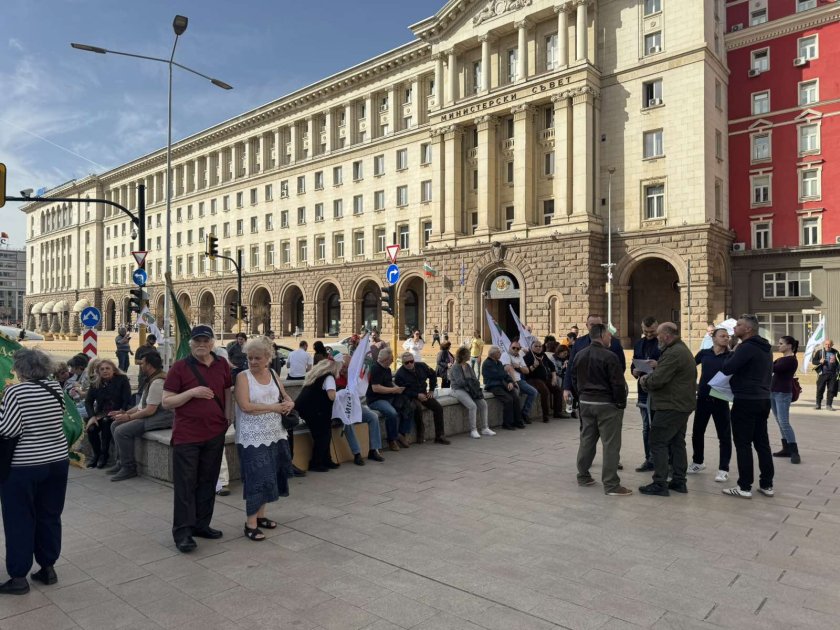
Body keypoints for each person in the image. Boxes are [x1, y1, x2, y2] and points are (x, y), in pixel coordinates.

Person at [0, 349, 70, 595]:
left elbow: (8, 430)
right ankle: (47, 567)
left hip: (24, 465)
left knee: (19, 519)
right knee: (49, 515)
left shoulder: (15, 392)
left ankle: (19, 577)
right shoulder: (56, 388)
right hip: (57, 461)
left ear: (21, 369)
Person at [162, 325, 233, 553]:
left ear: (212, 343)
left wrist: (227, 418)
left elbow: (227, 391)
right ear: (190, 343)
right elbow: (167, 401)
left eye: (205, 340)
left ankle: (201, 525)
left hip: (214, 433)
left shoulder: (222, 364)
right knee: (185, 486)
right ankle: (183, 533)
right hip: (187, 436)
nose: (201, 344)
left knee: (208, 482)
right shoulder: (180, 367)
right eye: (197, 341)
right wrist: (192, 392)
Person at [233, 336, 294, 541]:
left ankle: (260, 516)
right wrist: (274, 408)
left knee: (270, 475)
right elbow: (245, 406)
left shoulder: (273, 374)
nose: (252, 361)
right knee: (256, 478)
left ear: (268, 357)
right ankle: (250, 524)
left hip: (275, 433)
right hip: (252, 436)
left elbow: (284, 396)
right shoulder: (243, 377)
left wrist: (290, 403)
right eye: (249, 358)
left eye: (257, 358)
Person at [571, 324, 631, 497]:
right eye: (609, 336)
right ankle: (611, 485)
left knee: (587, 440)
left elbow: (574, 379)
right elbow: (618, 384)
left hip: (586, 403)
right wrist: (620, 404)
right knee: (610, 444)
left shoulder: (580, 355)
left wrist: (581, 396)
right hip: (606, 404)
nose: (610, 338)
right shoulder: (610, 356)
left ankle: (583, 476)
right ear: (602, 335)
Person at [638, 323, 697, 497]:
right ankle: (679, 481)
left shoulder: (673, 353)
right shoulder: (678, 349)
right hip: (680, 405)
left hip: (671, 405)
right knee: (677, 442)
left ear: (667, 335)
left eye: (659, 335)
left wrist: (643, 380)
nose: (657, 338)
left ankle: (660, 483)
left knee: (657, 441)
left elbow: (658, 380)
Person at [719, 314, 774, 499]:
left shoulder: (746, 347)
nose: (735, 327)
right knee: (762, 443)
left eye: (739, 325)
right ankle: (767, 484)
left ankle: (744, 486)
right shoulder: (766, 347)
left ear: (748, 329)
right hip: (763, 399)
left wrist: (733, 351)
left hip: (746, 400)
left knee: (743, 443)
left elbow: (727, 368)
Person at [107, 352, 174, 481]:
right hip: (153, 415)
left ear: (149, 365)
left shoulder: (158, 382)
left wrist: (129, 418)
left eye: (142, 363)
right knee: (115, 424)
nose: (140, 366)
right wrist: (125, 413)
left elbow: (149, 410)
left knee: (121, 431)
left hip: (162, 418)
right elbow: (141, 405)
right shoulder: (152, 378)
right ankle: (120, 462)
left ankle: (129, 468)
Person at [689, 327, 733, 482]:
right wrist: (694, 384)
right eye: (722, 336)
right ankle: (698, 462)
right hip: (703, 398)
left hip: (720, 399)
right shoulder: (704, 353)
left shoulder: (731, 356)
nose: (726, 338)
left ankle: (723, 469)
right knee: (697, 432)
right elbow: (689, 367)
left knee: (724, 436)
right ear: (713, 338)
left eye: (727, 336)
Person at [563, 314, 626, 414]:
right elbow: (571, 367)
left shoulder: (614, 343)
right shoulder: (579, 343)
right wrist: (567, 388)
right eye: (592, 325)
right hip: (584, 395)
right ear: (587, 325)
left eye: (598, 325)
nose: (595, 327)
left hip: (606, 396)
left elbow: (620, 368)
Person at [335, 356, 385, 465]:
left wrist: (350, 379)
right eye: (343, 366)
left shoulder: (354, 377)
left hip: (355, 406)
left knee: (373, 417)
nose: (344, 369)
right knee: (348, 422)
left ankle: (374, 450)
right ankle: (357, 453)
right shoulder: (335, 376)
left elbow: (360, 392)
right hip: (341, 409)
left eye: (347, 367)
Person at [84, 359, 133, 469]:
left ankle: (104, 454)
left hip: (117, 411)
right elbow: (88, 401)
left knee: (106, 423)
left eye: (107, 368)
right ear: (98, 371)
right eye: (102, 369)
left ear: (113, 370)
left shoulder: (122, 379)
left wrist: (122, 411)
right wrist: (92, 416)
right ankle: (96, 454)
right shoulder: (95, 382)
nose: (105, 371)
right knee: (91, 428)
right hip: (101, 413)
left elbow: (127, 399)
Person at [295, 359, 342, 471]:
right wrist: (342, 394)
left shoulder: (317, 375)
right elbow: (331, 396)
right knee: (322, 436)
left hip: (308, 409)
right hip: (315, 411)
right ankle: (316, 463)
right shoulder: (329, 377)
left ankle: (326, 460)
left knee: (326, 434)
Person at [395, 352, 450, 445]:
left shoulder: (421, 366)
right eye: (406, 363)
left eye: (411, 361)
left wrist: (431, 390)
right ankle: (420, 434)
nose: (410, 364)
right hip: (410, 397)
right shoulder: (400, 374)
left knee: (438, 408)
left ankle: (440, 436)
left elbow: (433, 375)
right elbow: (403, 391)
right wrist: (417, 395)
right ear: (403, 363)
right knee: (417, 408)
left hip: (424, 393)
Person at [365, 348, 411, 451]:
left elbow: (389, 382)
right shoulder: (375, 369)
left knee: (408, 405)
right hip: (376, 400)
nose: (392, 361)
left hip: (389, 396)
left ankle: (402, 433)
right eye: (391, 359)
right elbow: (376, 388)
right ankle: (392, 440)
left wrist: (397, 388)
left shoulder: (387, 369)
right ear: (386, 360)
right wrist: (393, 390)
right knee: (392, 413)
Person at [631, 317, 661, 472]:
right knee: (646, 426)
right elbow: (633, 364)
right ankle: (649, 459)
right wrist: (634, 371)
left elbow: (671, 364)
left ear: (658, 327)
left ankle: (663, 460)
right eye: (645, 331)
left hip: (659, 390)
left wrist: (658, 364)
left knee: (659, 426)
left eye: (652, 331)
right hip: (643, 389)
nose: (649, 334)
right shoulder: (638, 344)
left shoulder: (663, 343)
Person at [449, 346, 493, 439]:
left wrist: (470, 382)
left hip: (470, 389)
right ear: (463, 355)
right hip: (457, 390)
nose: (470, 355)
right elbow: (460, 382)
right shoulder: (456, 367)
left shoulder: (468, 366)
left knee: (483, 404)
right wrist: (470, 382)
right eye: (468, 354)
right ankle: (473, 430)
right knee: (472, 406)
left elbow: (475, 379)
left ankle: (485, 428)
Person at [771, 336, 801, 465]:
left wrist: (765, 357)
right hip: (773, 393)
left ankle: (794, 451)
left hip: (782, 394)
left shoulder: (791, 360)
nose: (778, 345)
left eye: (781, 343)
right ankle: (786, 448)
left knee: (784, 422)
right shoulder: (780, 359)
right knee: (779, 421)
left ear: (789, 346)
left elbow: (773, 369)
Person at [482, 346, 524, 430]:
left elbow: (505, 375)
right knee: (508, 400)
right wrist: (505, 374)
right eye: (499, 353)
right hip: (493, 386)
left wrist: (510, 382)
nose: (500, 354)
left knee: (515, 398)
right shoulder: (487, 363)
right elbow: (498, 375)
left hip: (502, 384)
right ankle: (507, 423)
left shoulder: (499, 363)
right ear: (493, 354)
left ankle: (518, 421)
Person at [524, 339, 562, 421]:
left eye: (540, 346)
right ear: (531, 347)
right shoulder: (528, 356)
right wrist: (534, 366)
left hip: (545, 378)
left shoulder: (543, 355)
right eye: (536, 346)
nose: (538, 348)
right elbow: (526, 371)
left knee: (558, 390)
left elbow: (552, 366)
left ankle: (557, 412)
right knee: (545, 391)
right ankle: (545, 415)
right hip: (534, 379)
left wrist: (554, 377)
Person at [501, 341, 538, 423]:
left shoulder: (520, 357)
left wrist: (518, 367)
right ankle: (515, 419)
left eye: (517, 348)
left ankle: (524, 413)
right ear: (509, 347)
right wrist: (514, 382)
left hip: (519, 380)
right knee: (516, 395)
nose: (515, 349)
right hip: (509, 381)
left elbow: (527, 371)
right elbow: (508, 368)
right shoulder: (505, 355)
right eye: (513, 347)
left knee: (534, 392)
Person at [812, 339, 839, 411]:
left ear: (832, 345)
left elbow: (838, 363)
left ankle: (829, 405)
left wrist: (838, 372)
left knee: (831, 390)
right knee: (820, 389)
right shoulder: (820, 352)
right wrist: (819, 361)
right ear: (824, 344)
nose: (828, 346)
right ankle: (818, 404)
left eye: (829, 344)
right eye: (826, 344)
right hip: (822, 374)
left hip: (832, 374)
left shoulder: (836, 352)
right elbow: (814, 361)